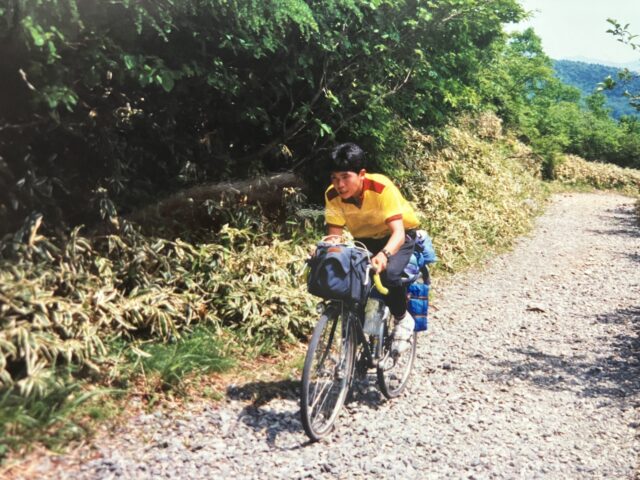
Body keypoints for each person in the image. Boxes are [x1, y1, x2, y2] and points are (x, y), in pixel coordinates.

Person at [324, 142, 420, 353]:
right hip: (365, 241)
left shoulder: (381, 188)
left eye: (345, 177)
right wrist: (324, 250)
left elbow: (398, 233)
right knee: (351, 281)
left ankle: (402, 318)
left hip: (398, 236)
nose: (340, 184)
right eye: (334, 178)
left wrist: (384, 255)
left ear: (361, 174)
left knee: (388, 275)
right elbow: (334, 237)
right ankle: (356, 339)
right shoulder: (332, 195)